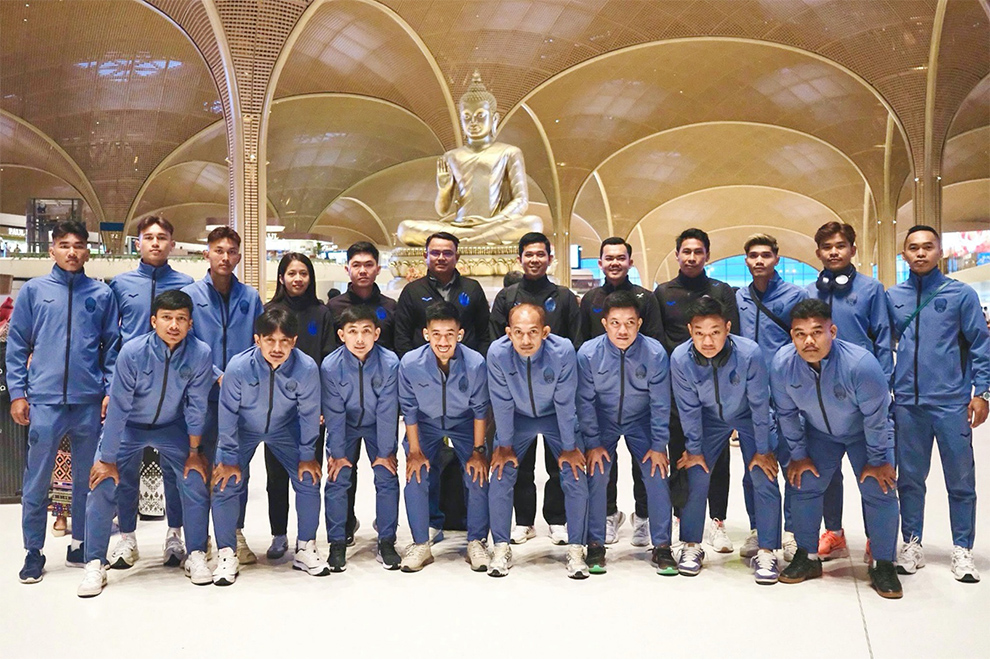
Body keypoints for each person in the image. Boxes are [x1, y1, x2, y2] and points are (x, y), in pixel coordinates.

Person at [78, 291, 215, 597]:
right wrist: (108, 458)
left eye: (181, 319)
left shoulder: (200, 353)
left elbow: (196, 406)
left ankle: (195, 552)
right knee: (102, 481)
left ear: (190, 323)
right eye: (167, 318)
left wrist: (194, 452)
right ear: (154, 321)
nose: (174, 325)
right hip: (129, 427)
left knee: (194, 478)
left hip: (171, 427)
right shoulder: (133, 352)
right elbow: (118, 407)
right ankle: (95, 562)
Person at [7, 220, 119, 583]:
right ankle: (33, 551)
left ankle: (81, 544)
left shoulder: (101, 295)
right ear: (52, 250)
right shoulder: (34, 292)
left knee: (88, 478)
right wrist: (18, 393)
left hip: (88, 401)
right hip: (45, 401)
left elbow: (112, 348)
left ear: (88, 251)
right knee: (37, 479)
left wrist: (108, 390)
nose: (72, 252)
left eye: (79, 245)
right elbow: (17, 344)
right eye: (65, 245)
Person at [771, 299, 902, 599]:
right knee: (803, 481)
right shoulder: (782, 365)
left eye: (817, 332)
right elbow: (786, 414)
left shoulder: (861, 365)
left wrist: (877, 459)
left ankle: (883, 563)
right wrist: (799, 455)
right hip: (820, 433)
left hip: (864, 433)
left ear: (832, 331)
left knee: (879, 487)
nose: (808, 341)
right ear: (792, 336)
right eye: (800, 334)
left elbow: (876, 417)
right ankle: (807, 556)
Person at [886, 225, 990, 582]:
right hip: (907, 404)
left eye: (927, 247)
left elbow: (980, 344)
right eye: (913, 247)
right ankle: (912, 542)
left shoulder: (960, 294)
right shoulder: (893, 296)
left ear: (939, 252)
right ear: (904, 254)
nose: (920, 253)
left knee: (960, 480)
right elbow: (883, 344)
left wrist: (983, 392)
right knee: (910, 480)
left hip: (950, 403)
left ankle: (962, 549)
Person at [210, 308, 328, 585]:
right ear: (257, 340)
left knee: (308, 477)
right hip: (243, 428)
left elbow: (309, 413)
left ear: (294, 341)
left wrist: (307, 454)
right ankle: (226, 552)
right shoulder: (238, 367)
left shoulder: (306, 368)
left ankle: (306, 547)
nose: (277, 348)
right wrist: (228, 456)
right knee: (225, 481)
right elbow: (227, 412)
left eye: (284, 341)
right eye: (270, 340)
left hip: (284, 428)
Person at [670, 296, 782, 583]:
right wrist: (694, 449)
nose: (707, 341)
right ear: (690, 330)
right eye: (699, 333)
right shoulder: (680, 358)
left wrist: (762, 449)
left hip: (748, 414)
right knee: (695, 471)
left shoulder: (749, 353)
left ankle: (767, 549)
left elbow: (760, 404)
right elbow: (688, 409)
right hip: (709, 418)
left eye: (715, 332)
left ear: (728, 328)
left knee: (763, 473)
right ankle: (691, 545)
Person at [107, 215, 194, 569]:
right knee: (125, 471)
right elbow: (111, 339)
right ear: (138, 243)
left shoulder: (186, 284)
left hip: (172, 392)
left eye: (162, 237)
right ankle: (127, 538)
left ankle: (175, 535)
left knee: (175, 471)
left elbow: (193, 341)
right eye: (149, 237)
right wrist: (109, 387)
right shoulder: (120, 284)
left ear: (172, 243)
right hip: (130, 390)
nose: (155, 243)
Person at [394, 231, 490, 539]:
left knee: (478, 469)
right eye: (434, 252)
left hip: (463, 396)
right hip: (426, 401)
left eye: (447, 252)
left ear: (457, 256)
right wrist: (424, 370)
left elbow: (484, 333)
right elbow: (402, 337)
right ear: (425, 255)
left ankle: (477, 538)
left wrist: (469, 366)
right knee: (418, 468)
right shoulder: (412, 291)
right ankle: (424, 534)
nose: (440, 257)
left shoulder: (472, 289)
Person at [489, 231, 581, 546]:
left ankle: (557, 519)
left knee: (559, 462)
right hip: (518, 393)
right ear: (520, 258)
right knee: (520, 462)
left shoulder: (564, 296)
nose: (534, 259)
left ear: (549, 258)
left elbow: (574, 341)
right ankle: (524, 521)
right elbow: (498, 343)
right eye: (529, 254)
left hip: (555, 389)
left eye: (540, 254)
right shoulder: (507, 297)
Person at [807, 221, 892, 560]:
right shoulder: (810, 293)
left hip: (863, 393)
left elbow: (883, 339)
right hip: (822, 396)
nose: (834, 252)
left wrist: (884, 388)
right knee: (827, 475)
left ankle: (876, 538)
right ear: (818, 252)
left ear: (853, 249)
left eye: (840, 245)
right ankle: (834, 532)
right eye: (827, 247)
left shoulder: (872, 289)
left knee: (871, 471)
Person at [486, 303, 589, 579]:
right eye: (518, 332)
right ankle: (500, 547)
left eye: (533, 332)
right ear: (508, 333)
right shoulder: (497, 353)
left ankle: (577, 547)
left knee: (574, 472)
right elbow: (502, 402)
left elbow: (565, 401)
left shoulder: (563, 350)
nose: (525, 340)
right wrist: (504, 446)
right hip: (517, 417)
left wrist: (569, 447)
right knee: (500, 473)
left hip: (555, 415)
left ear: (545, 332)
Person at [181, 226, 264, 564]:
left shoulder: (250, 298)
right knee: (199, 467)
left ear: (239, 257)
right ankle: (199, 540)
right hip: (201, 397)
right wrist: (216, 374)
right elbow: (186, 342)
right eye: (219, 251)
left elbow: (260, 342)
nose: (225, 257)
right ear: (207, 254)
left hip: (240, 400)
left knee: (235, 466)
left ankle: (234, 532)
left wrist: (242, 380)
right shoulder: (189, 296)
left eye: (231, 252)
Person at [654, 228, 740, 552]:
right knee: (681, 454)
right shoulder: (663, 292)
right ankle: (684, 519)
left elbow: (733, 336)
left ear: (707, 255)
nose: (691, 257)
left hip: (717, 390)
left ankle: (717, 521)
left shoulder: (721, 290)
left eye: (698, 252)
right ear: (677, 254)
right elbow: (659, 341)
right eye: (686, 251)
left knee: (718, 459)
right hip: (680, 389)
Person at [577, 291, 675, 575]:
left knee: (657, 474)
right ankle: (595, 543)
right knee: (597, 473)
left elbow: (660, 403)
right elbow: (585, 402)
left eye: (630, 323)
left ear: (639, 323)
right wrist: (593, 442)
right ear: (604, 324)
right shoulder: (588, 354)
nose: (623, 330)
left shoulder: (655, 353)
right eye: (615, 323)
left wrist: (659, 445)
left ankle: (662, 546)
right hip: (603, 420)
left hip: (641, 419)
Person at [579, 237, 664, 547]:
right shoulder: (590, 299)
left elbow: (654, 340)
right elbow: (583, 339)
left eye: (620, 257)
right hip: (604, 393)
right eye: (609, 257)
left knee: (648, 466)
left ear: (630, 261)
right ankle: (608, 513)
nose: (615, 262)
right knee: (602, 465)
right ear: (600, 262)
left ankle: (644, 515)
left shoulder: (646, 298)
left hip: (639, 394)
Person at [395, 71, 542, 246]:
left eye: (480, 116)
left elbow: (521, 201)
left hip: (494, 224)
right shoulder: (451, 156)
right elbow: (442, 211)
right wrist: (444, 190)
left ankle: (460, 242)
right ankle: (470, 240)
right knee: (405, 229)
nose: (473, 122)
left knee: (532, 224)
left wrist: (493, 221)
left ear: (494, 119)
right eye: (467, 117)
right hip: (459, 226)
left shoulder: (509, 152)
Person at [398, 301, 491, 572]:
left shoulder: (475, 363)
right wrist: (415, 451)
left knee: (477, 473)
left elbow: (480, 410)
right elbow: (409, 409)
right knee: (415, 473)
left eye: (449, 334)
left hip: (464, 422)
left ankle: (476, 541)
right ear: (426, 334)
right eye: (436, 334)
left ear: (459, 335)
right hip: (425, 423)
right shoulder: (410, 363)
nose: (443, 341)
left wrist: (478, 451)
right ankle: (420, 543)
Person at [735, 233, 807, 561]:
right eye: (753, 255)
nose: (759, 260)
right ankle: (758, 528)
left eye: (766, 255)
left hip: (788, 393)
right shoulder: (740, 297)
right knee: (754, 465)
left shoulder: (796, 295)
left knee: (793, 463)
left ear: (777, 258)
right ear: (746, 261)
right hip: (751, 396)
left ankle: (791, 531)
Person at [263, 253, 336, 559]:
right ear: (281, 277)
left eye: (303, 273)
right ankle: (278, 534)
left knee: (309, 473)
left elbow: (328, 361)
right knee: (276, 477)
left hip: (311, 408)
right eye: (291, 273)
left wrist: (322, 406)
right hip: (276, 409)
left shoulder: (322, 313)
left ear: (310, 277)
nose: (297, 279)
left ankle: (307, 538)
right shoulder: (269, 311)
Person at [327, 243, 398, 545]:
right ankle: (342, 529)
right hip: (343, 398)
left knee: (385, 469)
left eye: (369, 264)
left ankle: (387, 535)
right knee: (341, 470)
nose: (363, 270)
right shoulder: (334, 307)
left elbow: (397, 347)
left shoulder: (390, 306)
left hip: (380, 392)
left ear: (378, 268)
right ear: (348, 269)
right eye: (356, 265)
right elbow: (328, 351)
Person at [321, 305, 401, 571]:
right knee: (337, 477)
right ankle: (336, 542)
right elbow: (334, 413)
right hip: (345, 425)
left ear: (376, 334)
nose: (359, 339)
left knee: (387, 476)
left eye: (366, 331)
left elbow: (388, 410)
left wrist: (385, 452)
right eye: (352, 331)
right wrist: (337, 454)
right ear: (341, 335)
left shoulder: (390, 362)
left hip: (378, 424)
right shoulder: (331, 366)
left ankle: (387, 540)